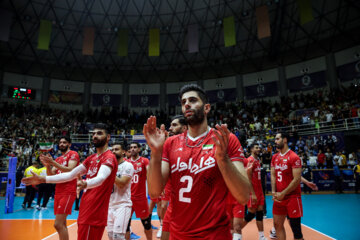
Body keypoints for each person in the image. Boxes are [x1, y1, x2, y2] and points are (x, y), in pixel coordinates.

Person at [143, 84, 250, 239]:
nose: (187, 104)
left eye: (193, 100)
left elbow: (244, 196)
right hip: (178, 234)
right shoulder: (170, 143)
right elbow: (154, 191)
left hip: (214, 234)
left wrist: (223, 159)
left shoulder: (226, 139)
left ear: (206, 108)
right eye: (183, 102)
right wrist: (155, 152)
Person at [22, 123, 118, 240]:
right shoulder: (91, 158)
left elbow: (101, 178)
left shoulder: (109, 157)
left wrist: (86, 183)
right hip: (85, 207)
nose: (95, 136)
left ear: (108, 137)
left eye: (99, 133)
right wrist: (43, 179)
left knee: (60, 225)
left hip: (95, 210)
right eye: (93, 134)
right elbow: (71, 175)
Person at [40, 136, 80, 240]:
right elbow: (51, 176)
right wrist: (48, 165)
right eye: (60, 142)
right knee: (62, 224)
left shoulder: (73, 154)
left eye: (64, 142)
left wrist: (53, 162)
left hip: (68, 191)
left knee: (57, 224)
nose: (61, 144)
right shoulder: (58, 159)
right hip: (58, 192)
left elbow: (70, 169)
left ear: (69, 144)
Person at [271, 132, 303, 240]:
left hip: (292, 197)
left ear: (285, 140)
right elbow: (273, 175)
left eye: (277, 139)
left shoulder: (294, 157)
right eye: (275, 139)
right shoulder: (274, 157)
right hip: (279, 198)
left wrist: (283, 193)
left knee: (296, 231)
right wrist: (273, 192)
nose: (275, 141)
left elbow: (297, 179)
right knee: (277, 225)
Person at [160, 115, 187, 240]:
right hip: (171, 185)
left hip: (190, 197)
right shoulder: (169, 144)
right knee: (163, 206)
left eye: (174, 125)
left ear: (185, 128)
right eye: (170, 125)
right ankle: (161, 224)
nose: (170, 128)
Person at [126, 142, 153, 240]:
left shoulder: (144, 161)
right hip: (127, 199)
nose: (132, 149)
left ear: (139, 149)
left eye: (135, 147)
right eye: (131, 147)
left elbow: (150, 174)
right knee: (126, 226)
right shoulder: (126, 162)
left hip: (140, 199)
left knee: (147, 224)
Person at [108, 143, 134, 240]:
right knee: (110, 235)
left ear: (123, 152)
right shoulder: (109, 166)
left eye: (116, 149)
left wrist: (109, 172)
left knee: (118, 236)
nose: (114, 151)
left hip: (122, 205)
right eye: (112, 150)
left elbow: (122, 183)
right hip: (109, 205)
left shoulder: (128, 165)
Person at [241, 143, 267, 240]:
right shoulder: (250, 160)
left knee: (260, 213)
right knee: (251, 214)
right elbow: (247, 179)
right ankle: (237, 232)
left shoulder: (258, 160)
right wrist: (253, 194)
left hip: (259, 191)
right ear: (252, 150)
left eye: (259, 147)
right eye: (256, 148)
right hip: (253, 192)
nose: (259, 149)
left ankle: (261, 236)